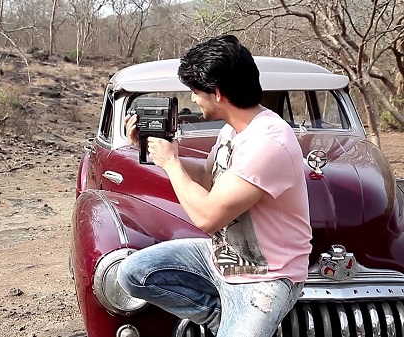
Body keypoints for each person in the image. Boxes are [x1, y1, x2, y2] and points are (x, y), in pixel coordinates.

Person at [117, 35, 312, 337]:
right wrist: (161, 152)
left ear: (217, 93)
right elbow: (210, 177)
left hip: (265, 277)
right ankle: (221, 317)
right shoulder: (234, 130)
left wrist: (171, 164)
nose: (193, 100)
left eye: (195, 92)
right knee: (133, 273)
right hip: (222, 258)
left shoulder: (267, 143)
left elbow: (208, 218)